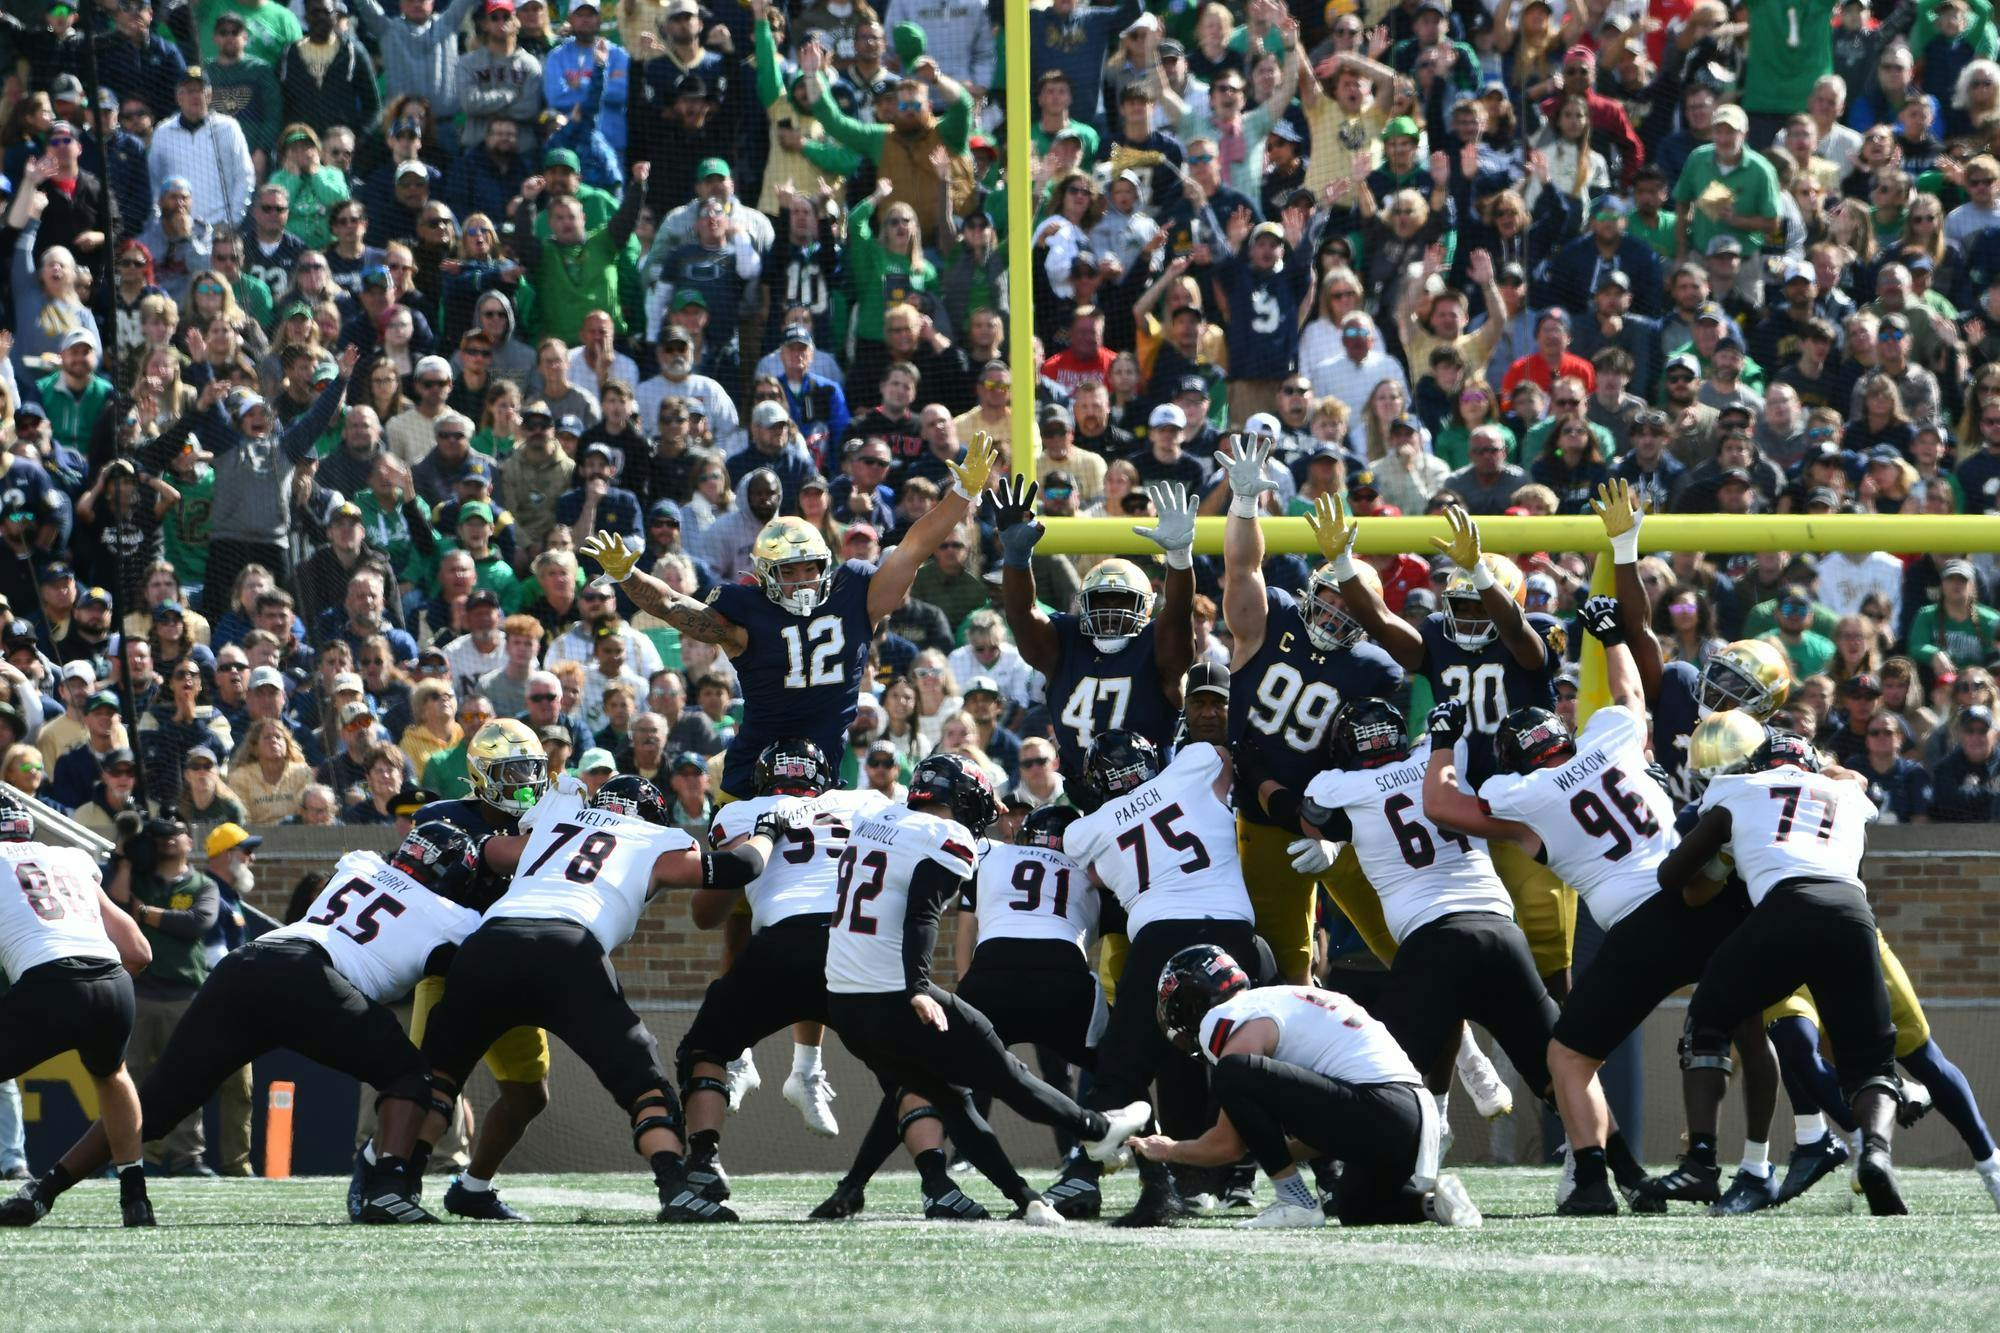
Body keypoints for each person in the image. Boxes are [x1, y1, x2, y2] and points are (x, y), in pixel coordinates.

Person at [1421, 599, 1777, 1214]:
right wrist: (1613, 634)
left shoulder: (1520, 793)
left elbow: (1443, 807)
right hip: (1706, 897)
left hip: (1642, 931)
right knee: (1754, 1026)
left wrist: (1443, 743)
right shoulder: (1611, 739)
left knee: (1569, 1056)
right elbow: (1632, 693)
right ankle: (1783, 1150)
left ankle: (1590, 1179)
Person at [15, 822, 486, 1228]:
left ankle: (43, 1190)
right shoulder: (452, 919)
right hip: (312, 977)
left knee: (157, 1104)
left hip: (249, 964)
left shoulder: (360, 864)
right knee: (410, 1075)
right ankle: (386, 1185)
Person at [368, 774, 782, 1224]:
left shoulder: (550, 827)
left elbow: (483, 853)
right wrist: (766, 832)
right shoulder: (653, 838)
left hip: (489, 945)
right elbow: (738, 869)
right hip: (568, 950)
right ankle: (675, 1188)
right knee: (643, 1084)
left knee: (439, 1082)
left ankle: (394, 1186)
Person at [579, 437, 997, 801]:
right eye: (789, 571)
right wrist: (628, 575)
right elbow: (673, 606)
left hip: (822, 774)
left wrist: (961, 494)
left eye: (810, 568)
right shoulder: (747, 612)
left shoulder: (855, 593)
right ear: (764, 574)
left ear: (825, 565)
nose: (802, 581)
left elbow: (912, 548)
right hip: (751, 774)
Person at [822, 752, 1140, 1224]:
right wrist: (918, 987)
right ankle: (1096, 1130)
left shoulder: (874, 816)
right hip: (900, 990)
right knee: (1008, 1076)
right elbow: (924, 915)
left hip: (844, 998)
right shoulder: (948, 837)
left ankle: (1024, 1199)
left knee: (943, 1092)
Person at [1311, 495, 1575, 997]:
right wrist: (1345, 565)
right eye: (1461, 606)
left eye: (1481, 605)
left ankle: (1557, 1048)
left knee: (1546, 941)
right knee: (1452, 948)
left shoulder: (1528, 632)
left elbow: (1517, 632)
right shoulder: (1437, 633)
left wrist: (1479, 573)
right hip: (1461, 807)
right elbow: (1385, 627)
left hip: (1529, 801)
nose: (1470, 618)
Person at [1662, 716, 1912, 1216]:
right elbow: (1855, 795)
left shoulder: (1740, 787)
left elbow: (1674, 877)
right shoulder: (1848, 795)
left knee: (1708, 1020)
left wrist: (1726, 849)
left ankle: (1702, 1160)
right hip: (1852, 912)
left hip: (1783, 907)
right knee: (1871, 1065)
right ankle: (1877, 1157)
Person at [1213, 434, 1403, 983]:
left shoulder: (1374, 668)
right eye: (1332, 596)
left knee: (1399, 938)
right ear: (1314, 588)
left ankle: (1459, 1046)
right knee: (1281, 962)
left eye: (1351, 603)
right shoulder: (1273, 618)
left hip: (1338, 818)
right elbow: (1243, 565)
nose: (1337, 610)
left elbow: (1374, 755)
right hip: (1262, 812)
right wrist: (1244, 503)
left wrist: (1338, 832)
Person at [1057, 727, 1261, 1226]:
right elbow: (1221, 757)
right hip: (1235, 934)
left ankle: (1103, 1177)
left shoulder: (1086, 829)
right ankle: (1321, 1170)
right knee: (1262, 1057)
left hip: (1159, 940)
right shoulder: (1191, 768)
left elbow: (1095, 874)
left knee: (1124, 1068)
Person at [1131, 944, 1482, 1231]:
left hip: (1381, 1107)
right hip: (1413, 1120)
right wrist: (1270, 1147)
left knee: (1233, 1072)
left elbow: (1227, 1146)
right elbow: (1322, 1125)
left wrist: (1169, 1149)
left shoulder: (1228, 1017)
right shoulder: (1285, 999)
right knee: (1356, 1207)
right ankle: (1437, 1203)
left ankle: (1294, 1200)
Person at [676, 739, 887, 1205]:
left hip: (780, 947)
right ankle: (936, 1179)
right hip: (856, 947)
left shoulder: (739, 813)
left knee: (704, 1047)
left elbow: (706, 915)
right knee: (909, 1066)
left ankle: (703, 1160)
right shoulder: (866, 803)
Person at [990, 475, 1194, 780]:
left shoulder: (1156, 645)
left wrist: (1179, 558)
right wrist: (1017, 559)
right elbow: (1021, 614)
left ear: (1146, 607)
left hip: (1153, 795)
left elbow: (1178, 612)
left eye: (1122, 602)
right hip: (1084, 795)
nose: (1110, 612)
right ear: (1083, 605)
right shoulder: (1065, 641)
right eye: (1101, 602)